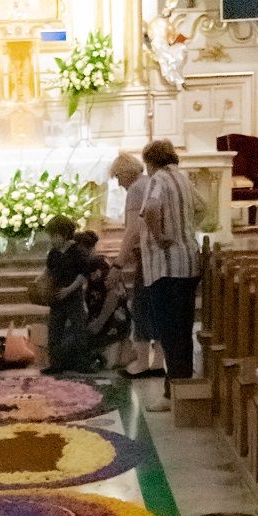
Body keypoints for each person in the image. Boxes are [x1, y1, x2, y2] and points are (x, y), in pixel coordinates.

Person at [139, 139, 202, 412]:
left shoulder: (158, 178)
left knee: (169, 334)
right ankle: (183, 389)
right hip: (188, 263)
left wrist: (160, 235)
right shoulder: (184, 178)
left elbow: (151, 209)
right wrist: (185, 229)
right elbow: (202, 207)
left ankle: (171, 395)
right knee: (183, 331)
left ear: (151, 161)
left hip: (166, 268)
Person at [109, 153, 163, 380]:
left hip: (146, 254)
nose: (118, 183)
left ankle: (142, 363)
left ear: (125, 172)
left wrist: (118, 263)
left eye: (118, 177)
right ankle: (158, 362)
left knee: (140, 307)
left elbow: (133, 229)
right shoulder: (151, 182)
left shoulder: (135, 189)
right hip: (159, 254)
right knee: (156, 308)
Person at [42, 216, 97, 375]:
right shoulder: (54, 253)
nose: (52, 240)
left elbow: (82, 274)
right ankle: (55, 363)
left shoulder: (76, 251)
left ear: (65, 234)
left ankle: (83, 363)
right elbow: (49, 270)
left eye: (54, 236)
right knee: (54, 330)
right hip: (57, 296)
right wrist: (41, 279)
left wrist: (69, 289)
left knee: (79, 329)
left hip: (73, 297)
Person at [77, 229, 131, 359]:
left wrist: (99, 322)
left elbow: (114, 294)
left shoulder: (97, 265)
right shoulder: (97, 263)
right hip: (102, 317)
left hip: (110, 320)